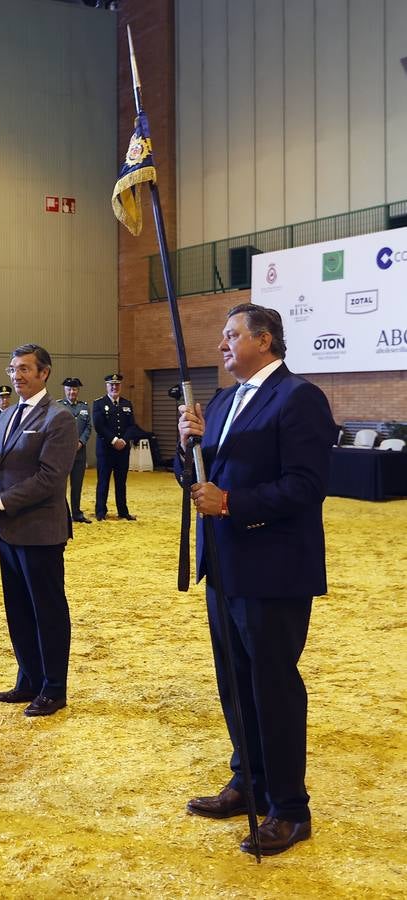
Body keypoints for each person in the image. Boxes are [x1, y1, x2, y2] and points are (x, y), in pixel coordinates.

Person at [176, 303, 335, 857]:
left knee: (272, 687)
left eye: (232, 335)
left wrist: (231, 503)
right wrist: (187, 446)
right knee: (236, 684)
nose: (222, 344)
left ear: (264, 340)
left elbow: (307, 486)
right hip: (224, 566)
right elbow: (198, 478)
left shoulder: (298, 398)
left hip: (273, 569)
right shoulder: (223, 401)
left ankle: (289, 809)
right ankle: (248, 780)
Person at [0, 344, 78, 717]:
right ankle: (29, 678)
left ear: (44, 373)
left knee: (47, 610)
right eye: (13, 369)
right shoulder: (4, 417)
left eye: (25, 369)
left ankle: (54, 687)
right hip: (8, 530)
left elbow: (49, 478)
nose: (17, 376)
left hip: (40, 530)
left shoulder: (59, 419)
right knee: (18, 610)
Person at [92, 373, 140, 521]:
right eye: (111, 385)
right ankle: (100, 511)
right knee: (103, 481)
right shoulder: (99, 403)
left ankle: (123, 511)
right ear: (107, 386)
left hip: (122, 450)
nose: (114, 387)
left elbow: (131, 426)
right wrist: (114, 440)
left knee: (121, 482)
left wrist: (124, 440)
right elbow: (99, 426)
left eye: (117, 384)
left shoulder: (127, 404)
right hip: (106, 449)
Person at [56, 377, 92, 524]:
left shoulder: (84, 407)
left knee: (77, 485)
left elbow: (88, 427)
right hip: (63, 453)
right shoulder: (58, 406)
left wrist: (81, 441)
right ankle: (62, 514)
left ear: (78, 390)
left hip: (80, 452)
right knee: (60, 486)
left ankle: (76, 513)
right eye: (69, 389)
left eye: (75, 389)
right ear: (65, 390)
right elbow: (56, 428)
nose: (72, 392)